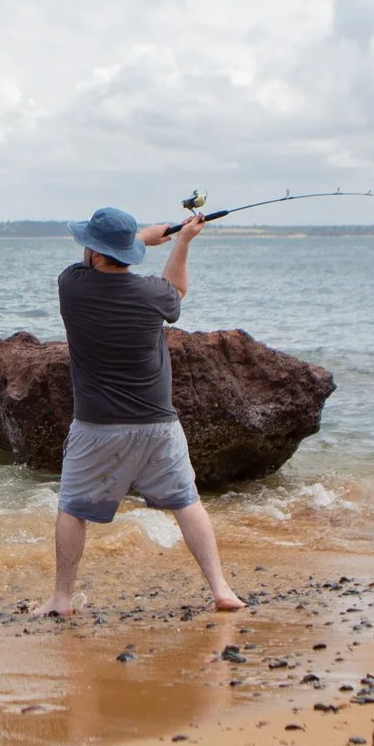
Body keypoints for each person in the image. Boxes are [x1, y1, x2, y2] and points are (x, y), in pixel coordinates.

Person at [39, 206, 242, 615]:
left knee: (73, 507)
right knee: (187, 501)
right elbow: (177, 291)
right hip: (157, 423)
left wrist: (143, 238)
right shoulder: (153, 294)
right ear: (127, 253)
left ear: (93, 251)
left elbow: (91, 262)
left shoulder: (71, 286)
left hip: (96, 424)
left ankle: (62, 598)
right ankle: (221, 589)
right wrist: (182, 241)